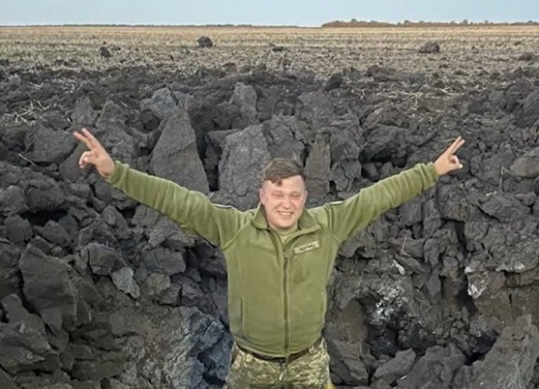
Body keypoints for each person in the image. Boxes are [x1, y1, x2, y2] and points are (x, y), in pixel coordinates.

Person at [74, 128, 464, 388]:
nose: (286, 203)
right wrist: (115, 172)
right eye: (277, 194)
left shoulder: (327, 225)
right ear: (262, 195)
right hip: (251, 366)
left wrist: (431, 170)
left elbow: (377, 197)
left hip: (309, 362)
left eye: (294, 195)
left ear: (305, 197)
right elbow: (176, 200)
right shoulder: (234, 228)